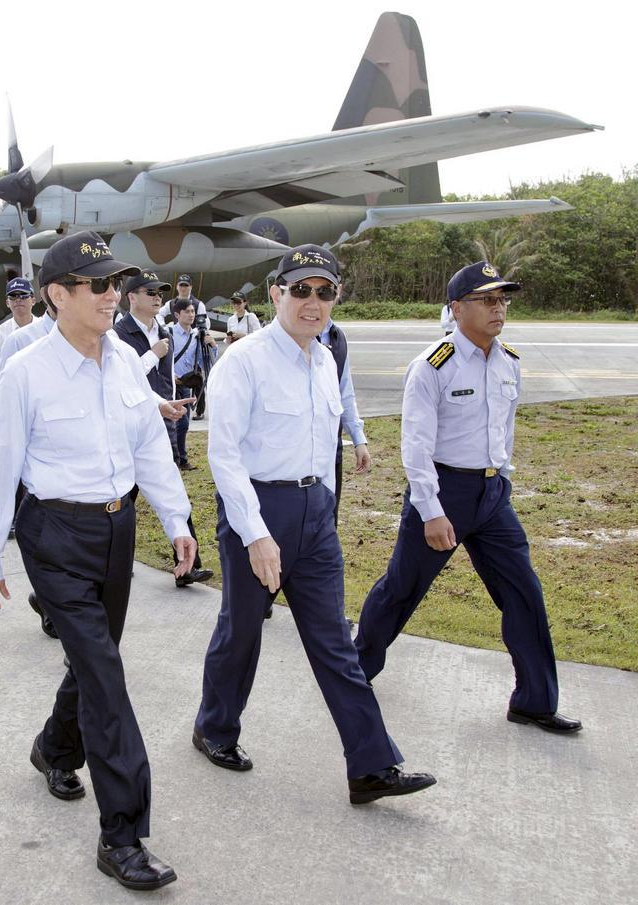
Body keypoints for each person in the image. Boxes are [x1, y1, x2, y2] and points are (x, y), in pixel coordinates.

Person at [0, 231, 194, 891]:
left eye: (114, 283)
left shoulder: (125, 358)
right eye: (97, 284)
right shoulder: (25, 372)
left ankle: (53, 746)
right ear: (57, 294)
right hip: (55, 535)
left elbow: (150, 441)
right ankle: (122, 836)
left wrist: (176, 518)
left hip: (116, 529)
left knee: (93, 662)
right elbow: (2, 466)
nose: (112, 294)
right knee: (106, 677)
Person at [195, 244, 436, 805]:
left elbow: (324, 436)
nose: (312, 302)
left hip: (315, 514)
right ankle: (214, 727)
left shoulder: (325, 359)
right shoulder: (244, 360)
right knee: (243, 632)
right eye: (300, 290)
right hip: (259, 513)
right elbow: (223, 455)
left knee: (335, 644)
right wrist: (255, 533)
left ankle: (371, 766)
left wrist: (324, 501)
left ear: (336, 298)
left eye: (324, 291)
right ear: (275, 293)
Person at [356, 261, 581, 735]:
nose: (499, 308)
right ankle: (353, 673)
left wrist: (503, 478)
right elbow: (414, 447)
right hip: (444, 491)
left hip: (492, 494)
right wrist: (432, 512)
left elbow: (504, 428)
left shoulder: (509, 360)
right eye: (487, 300)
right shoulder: (432, 366)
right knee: (401, 589)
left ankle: (534, 701)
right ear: (457, 309)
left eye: (503, 300)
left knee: (524, 593)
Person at [113, 271, 214, 588]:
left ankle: (188, 565)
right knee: (122, 500)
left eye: (160, 292)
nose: (158, 297)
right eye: (149, 291)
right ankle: (117, 563)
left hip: (163, 418)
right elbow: (126, 379)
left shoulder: (166, 329)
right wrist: (152, 354)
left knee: (172, 491)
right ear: (132, 297)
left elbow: (166, 376)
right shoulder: (119, 333)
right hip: (131, 426)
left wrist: (168, 402)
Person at [318, 317, 371, 523]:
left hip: (331, 448)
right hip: (296, 453)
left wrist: (358, 439)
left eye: (328, 291)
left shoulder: (337, 337)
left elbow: (344, 391)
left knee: (329, 521)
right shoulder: (293, 337)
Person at [0, 277, 35, 431]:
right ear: (7, 303)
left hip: (39, 398)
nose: (19, 300)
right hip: (11, 399)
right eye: (13, 296)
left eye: (24, 296)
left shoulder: (45, 330)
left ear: (33, 300)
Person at [169, 298, 213, 467]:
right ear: (177, 314)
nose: (191, 315)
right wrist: (170, 375)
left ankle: (180, 459)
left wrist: (212, 345)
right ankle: (177, 459)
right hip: (171, 384)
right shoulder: (169, 333)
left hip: (186, 384)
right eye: (186, 311)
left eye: (192, 311)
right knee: (176, 423)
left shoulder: (197, 336)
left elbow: (204, 362)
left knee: (183, 424)